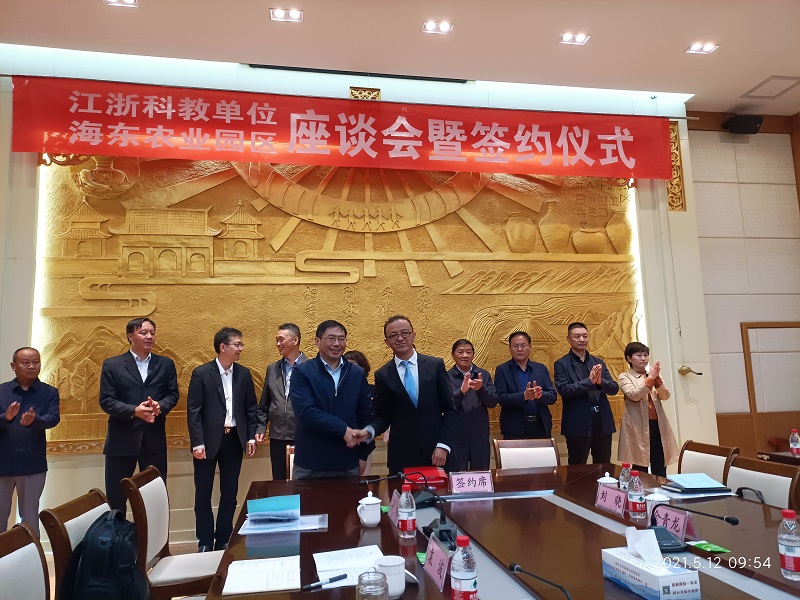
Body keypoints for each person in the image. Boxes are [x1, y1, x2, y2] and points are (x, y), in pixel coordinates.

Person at [187, 327, 258, 552]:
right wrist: (197, 442)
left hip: (234, 440)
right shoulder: (201, 373)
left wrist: (250, 438)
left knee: (229, 494)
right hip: (206, 442)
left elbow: (251, 409)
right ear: (223, 347)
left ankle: (223, 539)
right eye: (237, 344)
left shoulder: (244, 374)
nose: (240, 348)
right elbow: (194, 411)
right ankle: (205, 541)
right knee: (203, 494)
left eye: (241, 344)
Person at [99, 317, 179, 512]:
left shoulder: (166, 364)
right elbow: (106, 401)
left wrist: (160, 407)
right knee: (116, 500)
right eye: (143, 332)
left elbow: (173, 395)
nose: (149, 336)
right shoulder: (112, 365)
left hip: (153, 441)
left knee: (154, 501)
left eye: (152, 333)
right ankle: (119, 533)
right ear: (130, 336)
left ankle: (152, 535)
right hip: (121, 441)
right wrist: (134, 411)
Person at [370, 315, 456, 474]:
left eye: (405, 333)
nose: (400, 338)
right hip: (402, 455)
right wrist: (368, 431)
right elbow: (383, 416)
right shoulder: (382, 375)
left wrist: (443, 445)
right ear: (387, 342)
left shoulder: (435, 365)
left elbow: (450, 409)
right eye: (393, 335)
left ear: (413, 335)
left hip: (437, 452)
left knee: (441, 491)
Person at [289, 320, 373, 479]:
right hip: (310, 463)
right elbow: (305, 413)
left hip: (348, 462)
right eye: (331, 338)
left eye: (341, 339)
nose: (337, 344)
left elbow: (365, 415)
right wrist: (343, 429)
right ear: (317, 341)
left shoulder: (357, 373)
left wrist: (363, 455)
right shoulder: (302, 371)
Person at [0, 347, 60, 536]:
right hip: (2, 463)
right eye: (26, 363)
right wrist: (6, 417)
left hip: (32, 464)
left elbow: (53, 418)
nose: (32, 366)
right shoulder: (1, 391)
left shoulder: (49, 392)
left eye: (36, 362)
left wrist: (36, 420)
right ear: (13, 366)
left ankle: (31, 553)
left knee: (29, 518)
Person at [554, 322, 619, 465]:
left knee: (604, 465)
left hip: (601, 420)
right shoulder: (561, 364)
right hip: (577, 422)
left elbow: (614, 388)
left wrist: (600, 382)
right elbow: (564, 390)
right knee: (577, 466)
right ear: (568, 339)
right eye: (577, 336)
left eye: (585, 336)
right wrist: (589, 381)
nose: (582, 339)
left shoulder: (598, 362)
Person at [617, 342, 679, 478]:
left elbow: (665, 396)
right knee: (640, 464)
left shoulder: (654, 375)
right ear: (629, 358)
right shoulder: (625, 376)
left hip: (658, 424)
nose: (643, 358)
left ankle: (660, 488)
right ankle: (640, 490)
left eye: (645, 355)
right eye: (638, 355)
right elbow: (634, 395)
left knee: (660, 461)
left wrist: (658, 381)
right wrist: (650, 378)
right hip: (638, 426)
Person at [255, 323, 307, 481]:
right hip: (277, 436)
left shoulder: (311, 368)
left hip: (303, 435)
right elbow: (264, 404)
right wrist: (261, 427)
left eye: (281, 339)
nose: (277, 344)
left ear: (295, 340)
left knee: (302, 481)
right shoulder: (272, 369)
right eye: (276, 340)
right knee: (279, 481)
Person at [494, 332, 557, 440]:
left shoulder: (541, 368)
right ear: (510, 348)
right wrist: (523, 396)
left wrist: (540, 395)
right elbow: (500, 398)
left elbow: (552, 396)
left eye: (523, 345)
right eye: (515, 346)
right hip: (514, 428)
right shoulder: (502, 370)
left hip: (540, 426)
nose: (519, 349)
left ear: (530, 347)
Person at [447, 339, 497, 471]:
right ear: (453, 355)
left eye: (468, 352)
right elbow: (445, 405)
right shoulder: (447, 377)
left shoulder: (483, 375)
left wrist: (481, 389)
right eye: (460, 352)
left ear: (473, 355)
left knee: (480, 476)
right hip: (456, 437)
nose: (465, 355)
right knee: (458, 477)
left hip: (479, 436)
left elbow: (493, 402)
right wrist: (461, 392)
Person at [343, 350, 375, 476]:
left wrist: (363, 456)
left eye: (354, 364)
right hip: (342, 446)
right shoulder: (339, 391)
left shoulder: (372, 390)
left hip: (364, 447)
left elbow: (370, 422)